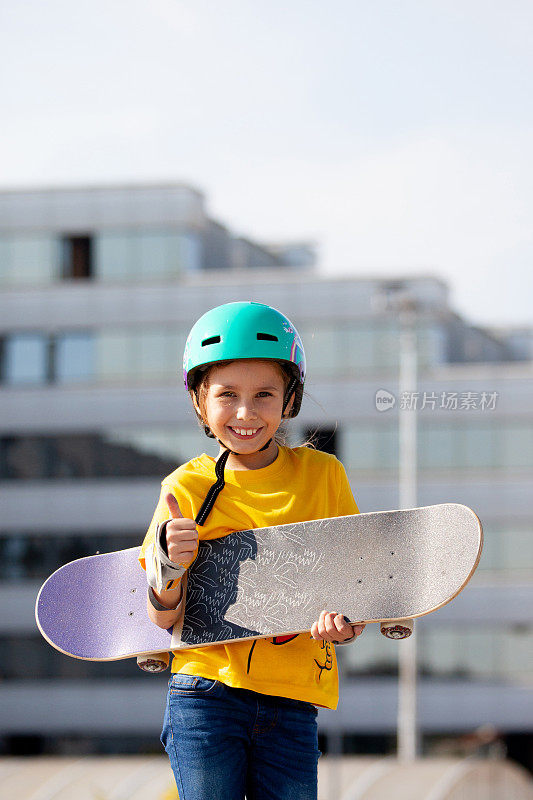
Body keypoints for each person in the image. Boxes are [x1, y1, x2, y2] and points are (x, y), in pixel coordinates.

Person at [139, 301, 364, 800]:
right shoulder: (187, 487)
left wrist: (343, 623)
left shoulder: (323, 476)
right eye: (227, 395)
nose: (245, 412)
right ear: (200, 401)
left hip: (292, 700)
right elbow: (161, 616)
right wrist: (169, 567)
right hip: (205, 695)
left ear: (290, 399)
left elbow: (353, 593)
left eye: (264, 393)